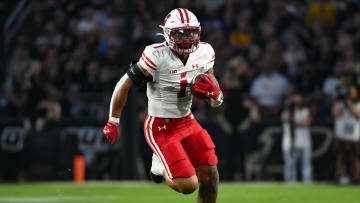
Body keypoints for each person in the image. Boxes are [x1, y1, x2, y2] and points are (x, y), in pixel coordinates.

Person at [102, 8, 223, 202]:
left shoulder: (205, 52)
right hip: (161, 126)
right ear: (167, 34)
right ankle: (159, 164)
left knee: (211, 176)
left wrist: (217, 97)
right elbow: (123, 85)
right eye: (180, 33)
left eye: (190, 32)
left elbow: (212, 84)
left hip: (187, 121)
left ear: (198, 32)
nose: (186, 38)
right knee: (188, 186)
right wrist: (113, 121)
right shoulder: (156, 55)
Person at [282, 93, 313, 183]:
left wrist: (294, 122)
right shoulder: (286, 112)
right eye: (294, 101)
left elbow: (307, 123)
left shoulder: (306, 111)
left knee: (306, 163)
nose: (296, 102)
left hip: (304, 141)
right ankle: (290, 182)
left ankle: (307, 181)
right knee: (291, 164)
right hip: (292, 141)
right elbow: (285, 119)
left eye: (298, 100)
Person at [332, 84, 360, 184]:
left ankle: (357, 177)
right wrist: (341, 102)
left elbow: (358, 115)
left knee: (355, 157)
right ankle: (338, 176)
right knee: (340, 156)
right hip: (341, 134)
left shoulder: (358, 104)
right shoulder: (340, 103)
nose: (350, 93)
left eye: (352, 91)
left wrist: (349, 104)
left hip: (354, 135)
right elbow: (335, 114)